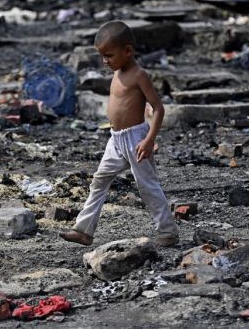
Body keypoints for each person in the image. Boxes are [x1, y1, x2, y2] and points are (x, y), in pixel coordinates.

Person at [59, 21, 179, 247]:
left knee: (147, 185)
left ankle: (167, 232)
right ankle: (83, 230)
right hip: (115, 139)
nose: (105, 61)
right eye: (102, 56)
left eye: (109, 55)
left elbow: (158, 108)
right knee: (99, 180)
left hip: (136, 139)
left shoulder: (139, 75)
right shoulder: (117, 71)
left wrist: (149, 139)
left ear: (128, 51)